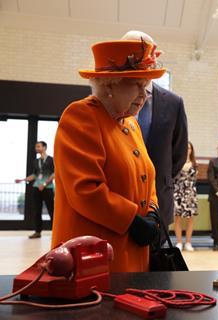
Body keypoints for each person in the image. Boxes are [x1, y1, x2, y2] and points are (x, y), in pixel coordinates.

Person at [51, 38, 166, 272]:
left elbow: (147, 177)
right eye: (136, 85)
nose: (144, 95)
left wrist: (152, 212)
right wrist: (133, 220)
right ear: (109, 85)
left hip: (133, 254)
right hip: (93, 258)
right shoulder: (81, 115)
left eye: (146, 87)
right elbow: (85, 189)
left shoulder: (131, 124)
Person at [122, 31, 188, 235]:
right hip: (120, 201)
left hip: (159, 199)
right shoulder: (112, 98)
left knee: (157, 264)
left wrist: (158, 179)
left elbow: (178, 153)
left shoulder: (173, 102)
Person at [15, 141, 54, 239]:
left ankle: (55, 231)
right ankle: (37, 232)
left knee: (51, 210)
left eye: (38, 146)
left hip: (48, 188)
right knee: (37, 210)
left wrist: (44, 184)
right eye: (36, 146)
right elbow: (35, 175)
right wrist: (23, 179)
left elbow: (54, 174)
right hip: (36, 188)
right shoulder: (36, 161)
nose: (36, 148)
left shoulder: (51, 160)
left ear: (44, 147)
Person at [173, 142, 198, 252]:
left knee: (190, 219)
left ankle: (188, 242)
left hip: (190, 193)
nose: (187, 149)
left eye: (189, 148)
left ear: (191, 150)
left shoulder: (194, 163)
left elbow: (195, 179)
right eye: (185, 147)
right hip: (178, 192)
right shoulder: (177, 162)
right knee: (177, 218)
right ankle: (179, 242)